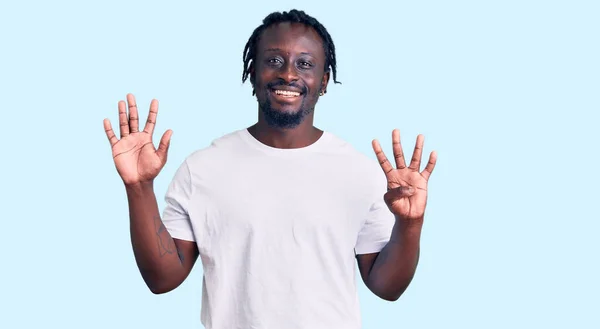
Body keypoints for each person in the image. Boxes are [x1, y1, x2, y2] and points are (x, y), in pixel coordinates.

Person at [103, 9, 437, 329]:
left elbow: (386, 287)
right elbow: (162, 280)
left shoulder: (359, 173)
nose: (289, 74)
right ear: (252, 72)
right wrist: (139, 187)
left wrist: (410, 224)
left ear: (323, 81)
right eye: (274, 60)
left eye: (304, 64)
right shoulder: (202, 169)